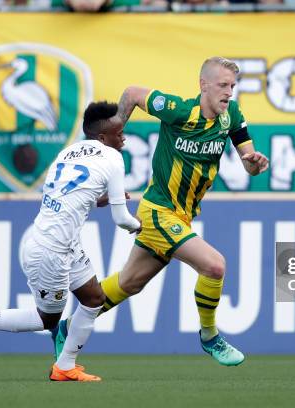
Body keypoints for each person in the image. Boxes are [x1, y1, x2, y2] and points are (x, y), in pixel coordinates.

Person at [52, 57, 269, 366]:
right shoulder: (179, 110)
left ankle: (69, 328)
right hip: (158, 212)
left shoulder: (231, 115)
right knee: (214, 266)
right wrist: (113, 138)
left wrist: (254, 163)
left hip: (181, 216)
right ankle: (210, 337)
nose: (228, 92)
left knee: (130, 283)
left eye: (232, 86)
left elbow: (248, 160)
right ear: (203, 85)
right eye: (222, 85)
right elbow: (132, 93)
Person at [0, 101, 141, 382]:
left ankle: (64, 366)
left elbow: (66, 194)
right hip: (51, 251)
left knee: (94, 298)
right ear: (102, 137)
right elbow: (122, 218)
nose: (123, 136)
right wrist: (139, 227)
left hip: (60, 242)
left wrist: (98, 200)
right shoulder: (113, 159)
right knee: (46, 319)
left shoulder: (68, 152)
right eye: (119, 132)